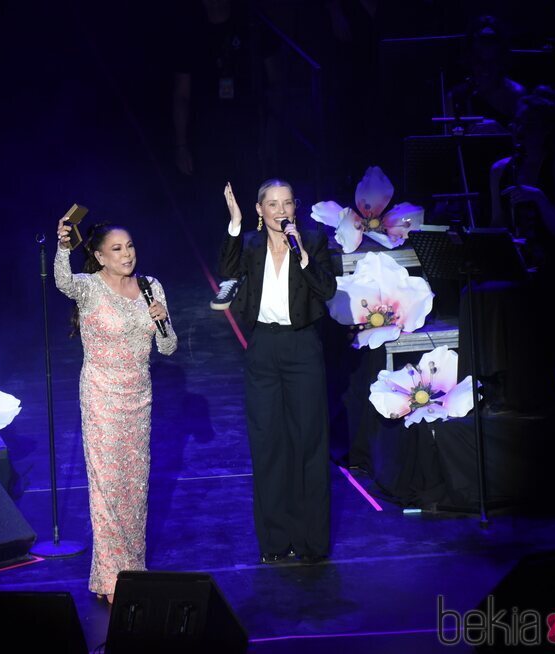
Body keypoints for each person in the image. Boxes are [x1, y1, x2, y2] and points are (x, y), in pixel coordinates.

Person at [54, 217, 177, 604]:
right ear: (99, 256)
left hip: (139, 396)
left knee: (134, 487)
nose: (127, 254)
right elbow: (62, 282)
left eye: (130, 246)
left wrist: (163, 321)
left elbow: (169, 347)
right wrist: (62, 247)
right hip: (101, 395)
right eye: (118, 249)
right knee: (107, 488)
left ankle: (133, 570)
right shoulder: (89, 287)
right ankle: (112, 579)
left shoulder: (150, 286)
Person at [219, 179, 336, 563]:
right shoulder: (251, 245)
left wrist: (300, 252)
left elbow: (327, 289)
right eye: (272, 204)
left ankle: (311, 542)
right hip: (264, 349)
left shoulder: (313, 240)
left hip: (302, 347)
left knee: (308, 444)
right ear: (260, 210)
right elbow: (228, 270)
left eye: (287, 203)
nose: (281, 210)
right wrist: (234, 223)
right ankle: (274, 540)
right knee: (268, 443)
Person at [459, 86, 555, 413]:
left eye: (530, 125)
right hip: (517, 257)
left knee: (541, 297)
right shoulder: (501, 169)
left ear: (546, 130)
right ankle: (500, 383)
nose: (521, 131)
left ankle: (538, 389)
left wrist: (537, 196)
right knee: (482, 291)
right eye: (518, 123)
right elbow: (498, 223)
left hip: (554, 258)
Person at [169, 0, 281, 310]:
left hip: (247, 132)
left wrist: (270, 133)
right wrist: (181, 144)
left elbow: (275, 81)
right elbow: (181, 94)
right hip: (208, 137)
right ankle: (227, 275)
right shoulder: (191, 32)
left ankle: (258, 273)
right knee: (214, 207)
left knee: (253, 202)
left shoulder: (251, 25)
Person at [446, 16, 526, 135]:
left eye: (492, 63)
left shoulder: (516, 94)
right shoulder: (458, 96)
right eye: (480, 64)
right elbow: (450, 143)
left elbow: (525, 140)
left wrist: (499, 130)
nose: (486, 71)